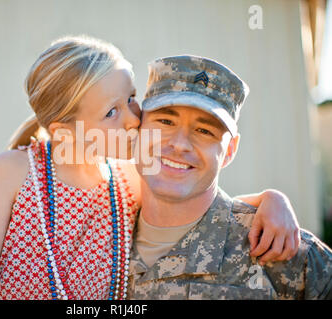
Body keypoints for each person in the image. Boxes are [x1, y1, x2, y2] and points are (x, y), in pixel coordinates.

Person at [0, 36, 300, 300]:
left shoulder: (127, 176)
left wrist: (271, 199)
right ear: (64, 132)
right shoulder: (13, 171)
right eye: (111, 112)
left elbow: (197, 202)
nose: (134, 119)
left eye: (132, 99)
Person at [128, 55, 332, 300]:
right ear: (137, 129)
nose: (180, 144)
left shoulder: (284, 253)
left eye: (204, 130)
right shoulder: (98, 237)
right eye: (165, 121)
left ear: (230, 151)